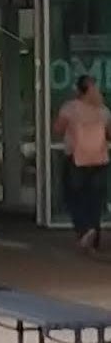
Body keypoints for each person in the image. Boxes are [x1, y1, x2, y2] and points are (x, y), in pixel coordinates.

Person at [54, 74, 111, 249]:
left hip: (76, 159)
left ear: (79, 90)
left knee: (73, 196)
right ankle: (94, 235)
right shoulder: (104, 111)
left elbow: (58, 129)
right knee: (95, 199)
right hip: (99, 159)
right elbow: (109, 134)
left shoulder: (70, 108)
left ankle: (84, 229)